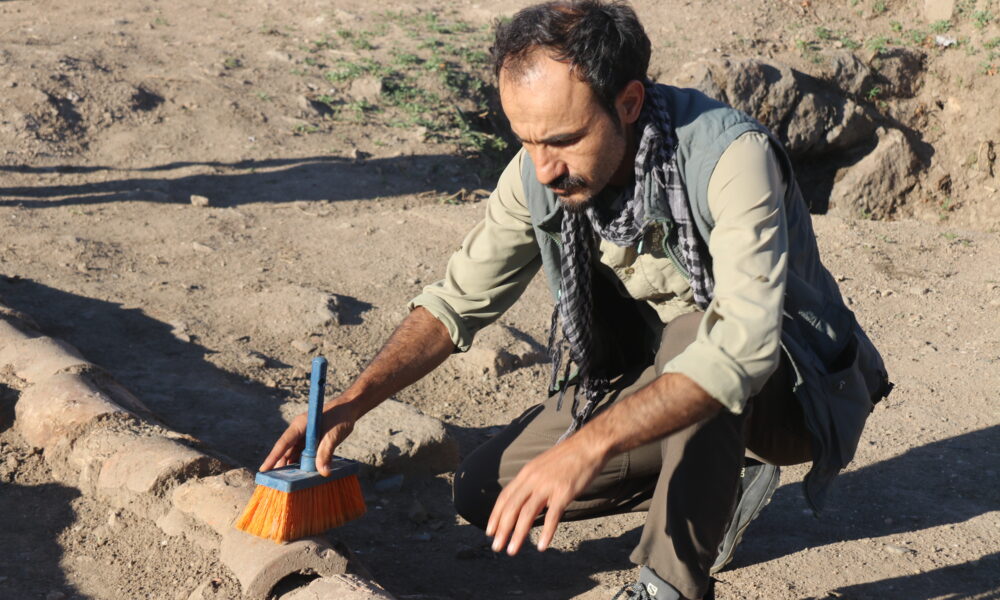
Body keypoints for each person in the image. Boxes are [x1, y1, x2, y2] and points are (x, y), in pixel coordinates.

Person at [261, 2, 891, 598]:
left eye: (562, 140)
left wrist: (587, 448)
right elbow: (457, 301)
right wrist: (355, 399)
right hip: (660, 378)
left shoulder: (730, 158)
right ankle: (720, 480)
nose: (543, 168)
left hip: (795, 394)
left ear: (629, 103)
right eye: (526, 141)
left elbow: (739, 349)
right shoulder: (539, 174)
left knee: (693, 336)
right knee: (487, 492)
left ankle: (671, 584)